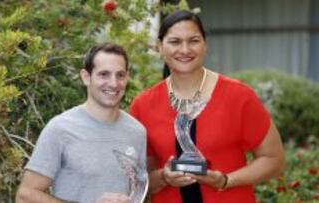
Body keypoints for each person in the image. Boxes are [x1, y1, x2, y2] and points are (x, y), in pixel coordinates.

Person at [129, 10, 285, 203]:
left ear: (205, 45)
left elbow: (273, 159)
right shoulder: (143, 105)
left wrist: (226, 181)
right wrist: (163, 177)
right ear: (160, 47)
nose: (185, 50)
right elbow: (137, 179)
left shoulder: (238, 96)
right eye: (175, 42)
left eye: (193, 40)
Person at [16, 43, 147, 203]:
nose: (113, 83)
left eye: (120, 75)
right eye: (104, 74)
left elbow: (139, 190)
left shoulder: (137, 132)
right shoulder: (60, 128)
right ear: (86, 77)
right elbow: (26, 195)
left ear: (127, 77)